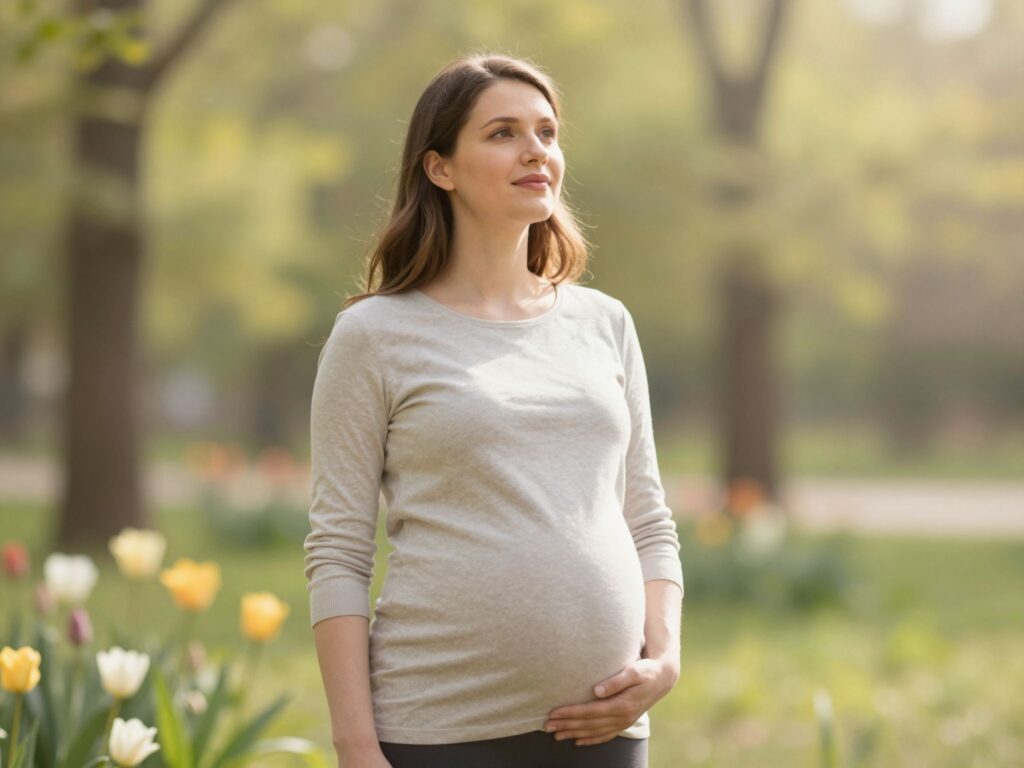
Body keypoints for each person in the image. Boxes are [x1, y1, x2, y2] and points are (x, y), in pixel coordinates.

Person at [304, 52, 684, 768]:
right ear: (439, 167)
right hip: (439, 730)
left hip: (606, 725)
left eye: (546, 131)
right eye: (503, 132)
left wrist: (663, 660)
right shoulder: (374, 336)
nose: (535, 150)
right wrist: (357, 747)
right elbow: (339, 553)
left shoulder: (604, 323)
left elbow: (648, 519)